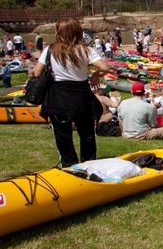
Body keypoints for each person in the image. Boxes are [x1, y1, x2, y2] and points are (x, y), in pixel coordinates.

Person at [32, 19, 111, 166]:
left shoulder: (50, 49)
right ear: (78, 31)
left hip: (58, 95)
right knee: (86, 133)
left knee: (63, 135)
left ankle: (69, 165)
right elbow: (105, 68)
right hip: (81, 95)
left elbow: (36, 73)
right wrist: (94, 75)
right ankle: (89, 163)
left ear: (58, 32)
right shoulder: (86, 49)